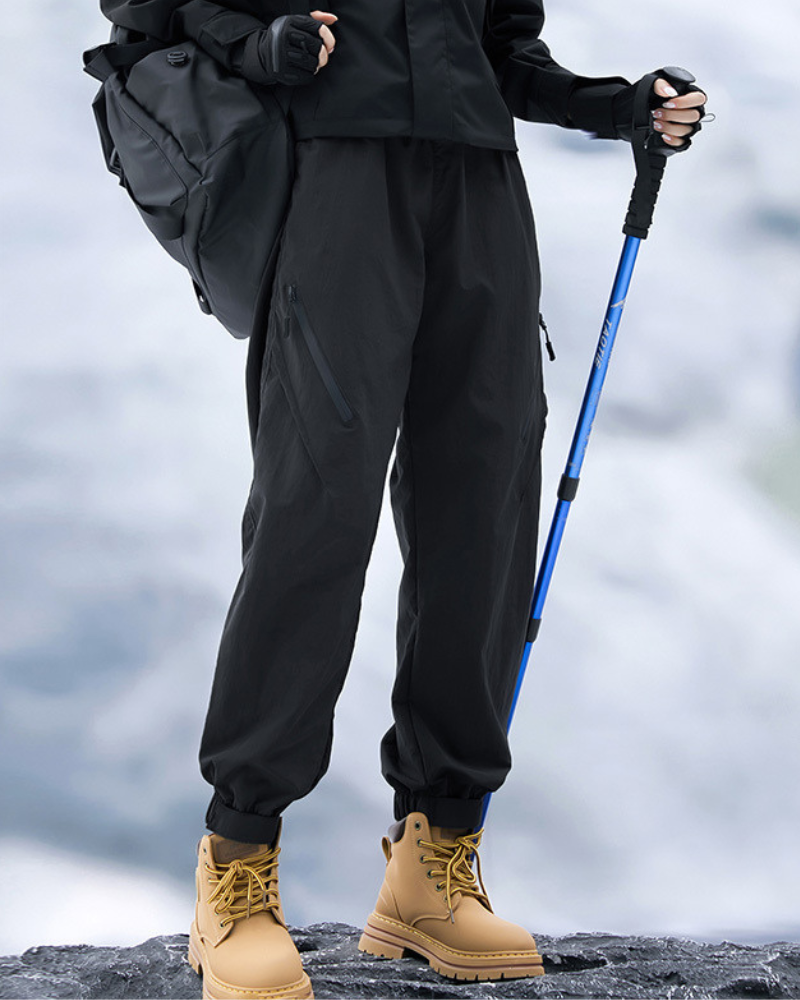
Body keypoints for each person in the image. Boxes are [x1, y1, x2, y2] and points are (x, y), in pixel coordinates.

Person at [99, 1, 707, 996]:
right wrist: (258, 45)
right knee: (314, 516)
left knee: (484, 511)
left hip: (479, 188)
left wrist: (613, 106)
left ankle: (434, 865)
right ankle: (237, 870)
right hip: (332, 181)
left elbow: (501, 50)